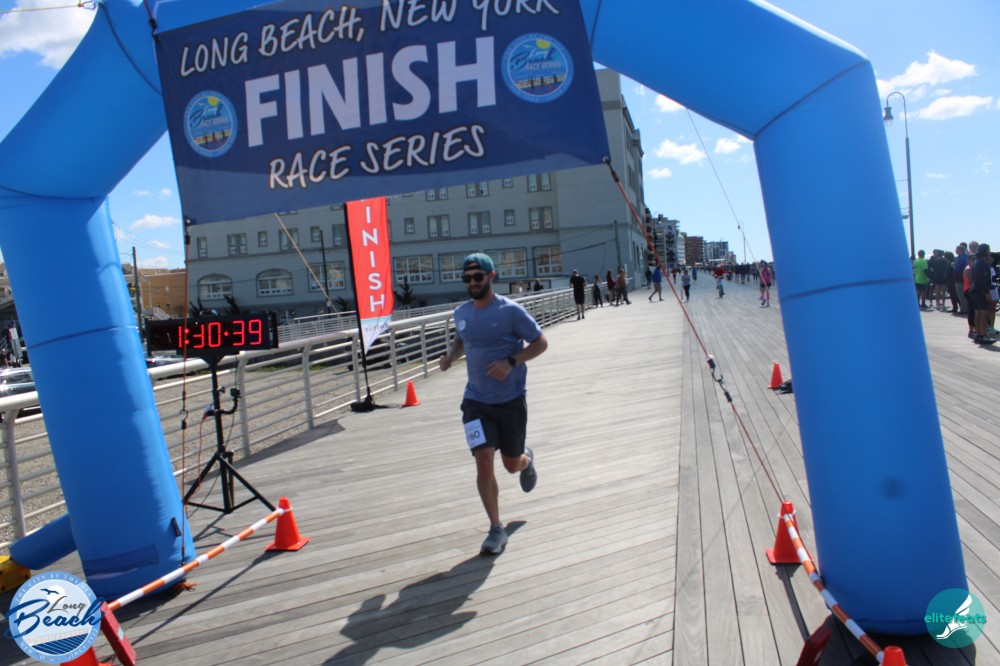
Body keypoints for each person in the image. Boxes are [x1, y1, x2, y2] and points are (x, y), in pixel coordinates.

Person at [439, 253, 548, 555]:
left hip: (511, 401)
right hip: (475, 402)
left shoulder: (511, 311)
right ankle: (496, 528)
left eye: (478, 277)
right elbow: (462, 339)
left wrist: (511, 361)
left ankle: (526, 460)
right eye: (467, 278)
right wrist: (451, 357)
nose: (472, 283)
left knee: (511, 465)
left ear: (491, 276)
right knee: (484, 460)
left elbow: (540, 343)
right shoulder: (461, 312)